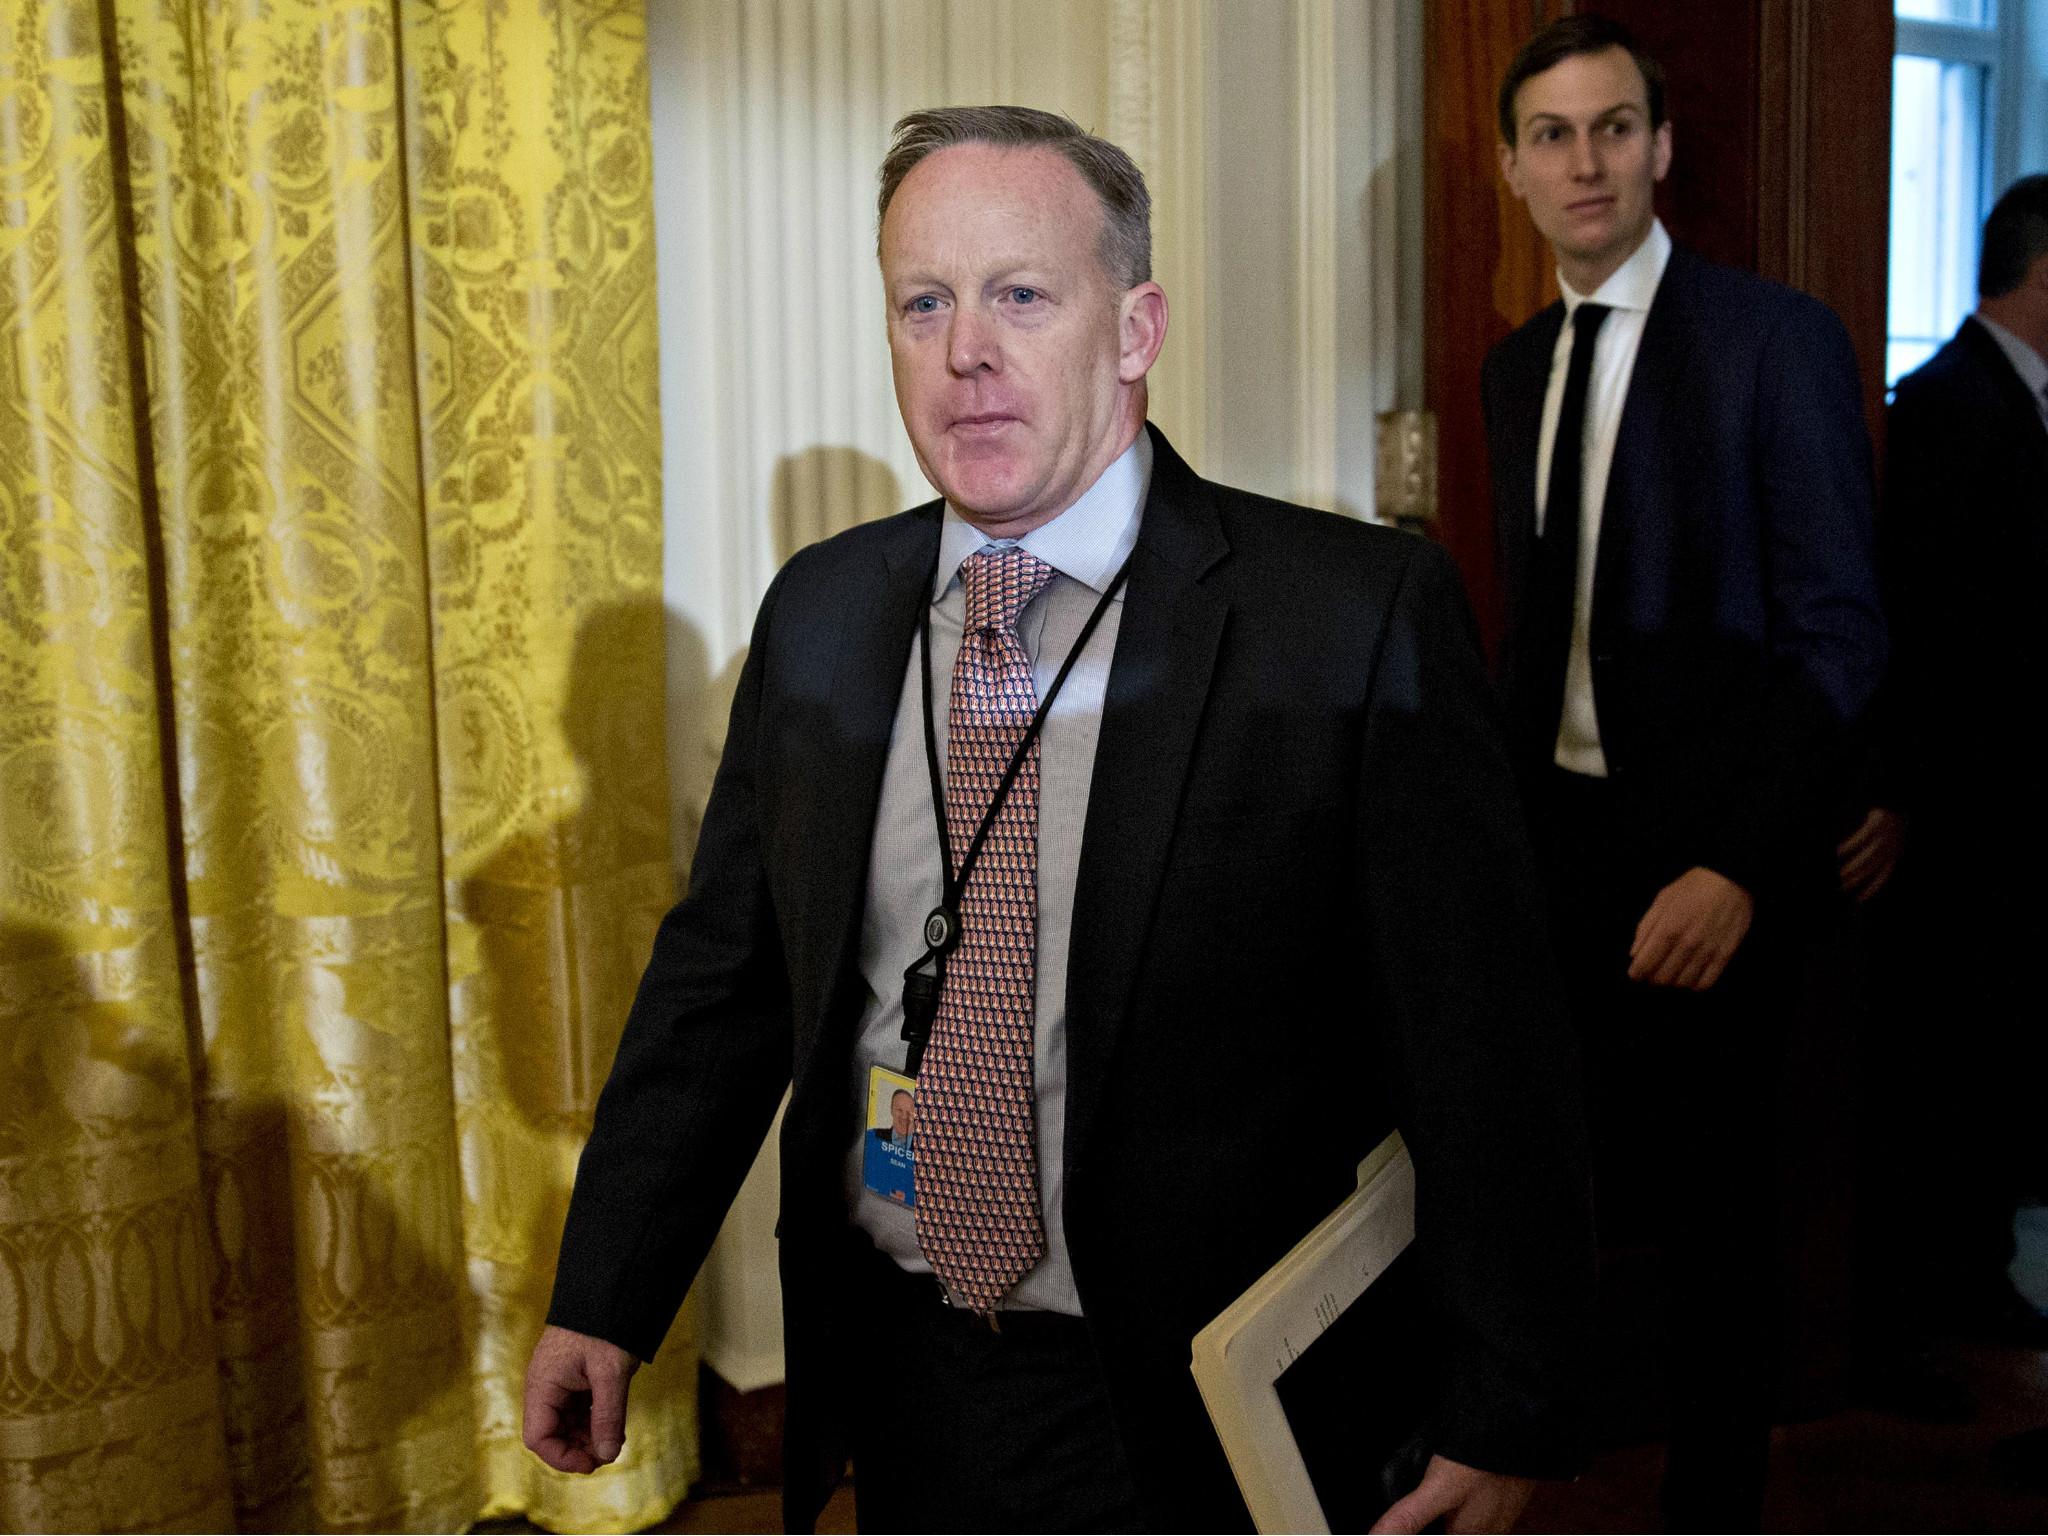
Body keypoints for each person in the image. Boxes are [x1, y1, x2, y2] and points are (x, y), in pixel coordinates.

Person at [525, 105, 1594, 1533]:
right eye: (924, 301)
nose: (967, 350)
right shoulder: (825, 617)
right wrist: (606, 1290)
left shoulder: (1344, 621)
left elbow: (1487, 1052)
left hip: (1200, 1405)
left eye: (1022, 294)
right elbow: (727, 981)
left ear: (1136, 328)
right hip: (901, 1375)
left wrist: (1503, 1399)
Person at [1481, 17, 1885, 1530]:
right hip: (1559, 847)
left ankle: (1712, 1511)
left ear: (1661, 146)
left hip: (1721, 859)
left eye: (1613, 128)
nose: (1585, 161)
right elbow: (1534, 636)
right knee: (1546, 1191)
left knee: (1725, 1227)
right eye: (1553, 135)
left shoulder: (1773, 341)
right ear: (1517, 168)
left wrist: (1734, 865)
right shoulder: (1515, 369)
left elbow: (1838, 635)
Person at [1847, 173, 2048, 1389]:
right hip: (1955, 809)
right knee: (1943, 1057)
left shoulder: (2010, 403)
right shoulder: (1944, 406)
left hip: (2005, 805)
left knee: (1997, 1052)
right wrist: (1901, 790)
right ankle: (1912, 1305)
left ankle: (1973, 1277)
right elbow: (1919, 623)